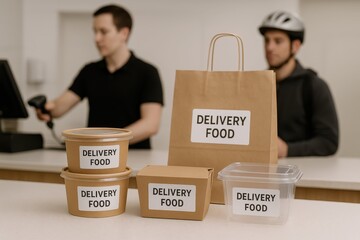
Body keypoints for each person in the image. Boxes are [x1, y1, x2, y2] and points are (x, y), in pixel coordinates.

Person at [36, 4, 164, 149]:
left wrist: (106, 141)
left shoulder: (148, 72)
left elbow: (151, 125)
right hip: (94, 157)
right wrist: (46, 108)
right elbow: (59, 108)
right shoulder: (89, 71)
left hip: (135, 157)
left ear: (124, 33)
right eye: (95, 32)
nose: (97, 38)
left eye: (103, 32)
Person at [258, 10, 339, 158]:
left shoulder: (314, 86)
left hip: (303, 174)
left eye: (278, 41)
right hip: (259, 171)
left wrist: (288, 150)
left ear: (295, 46)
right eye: (267, 40)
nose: (269, 47)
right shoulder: (257, 84)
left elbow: (329, 142)